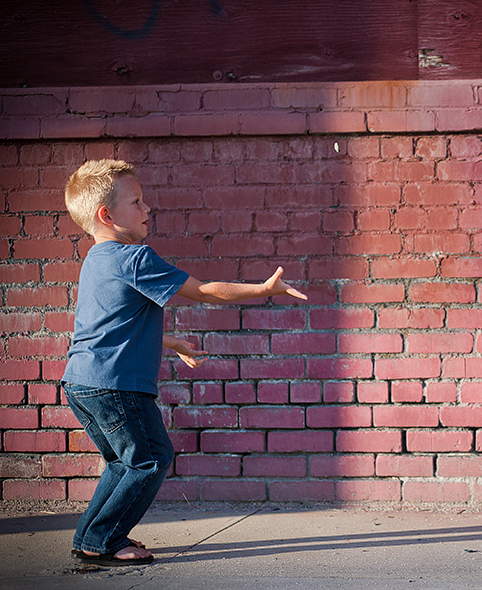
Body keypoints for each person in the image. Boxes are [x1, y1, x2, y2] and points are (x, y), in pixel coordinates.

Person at [62, 159, 307, 566]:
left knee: (122, 462)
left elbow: (109, 329)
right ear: (106, 214)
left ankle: (92, 535)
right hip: (117, 386)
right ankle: (105, 539)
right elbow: (205, 292)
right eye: (137, 202)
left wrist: (170, 340)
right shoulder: (134, 258)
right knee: (151, 457)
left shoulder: (95, 260)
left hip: (82, 382)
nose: (147, 209)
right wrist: (264, 288)